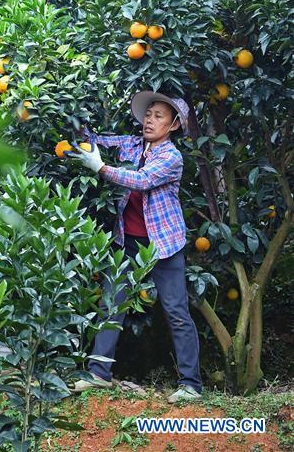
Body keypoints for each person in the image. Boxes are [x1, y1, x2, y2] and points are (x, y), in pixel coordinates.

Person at [65, 90, 203, 403]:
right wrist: (73, 116)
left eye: (159, 116)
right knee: (112, 304)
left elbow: (140, 180)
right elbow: (97, 141)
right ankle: (99, 374)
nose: (150, 120)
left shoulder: (171, 157)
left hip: (163, 245)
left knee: (176, 311)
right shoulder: (132, 144)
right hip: (128, 241)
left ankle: (191, 384)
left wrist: (99, 168)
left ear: (173, 126)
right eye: (149, 114)